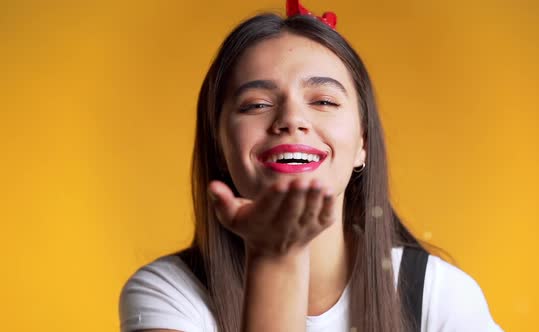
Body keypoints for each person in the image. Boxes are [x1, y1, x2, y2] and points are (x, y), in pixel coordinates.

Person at [118, 1, 503, 331]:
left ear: (362, 145)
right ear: (219, 145)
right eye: (256, 104)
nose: (291, 119)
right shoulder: (169, 292)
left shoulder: (439, 294)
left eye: (323, 101)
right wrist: (274, 256)